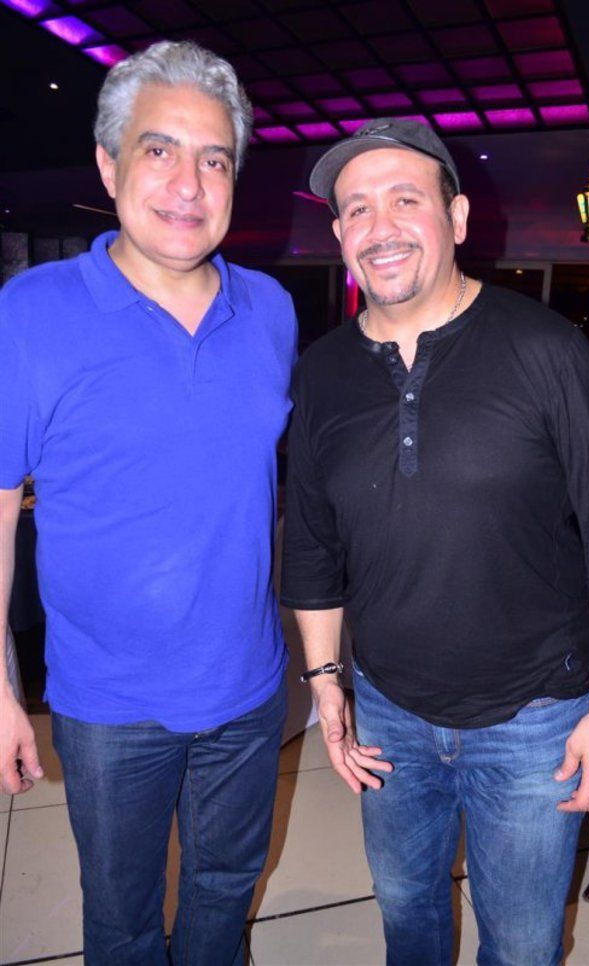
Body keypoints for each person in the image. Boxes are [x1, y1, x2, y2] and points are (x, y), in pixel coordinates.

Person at [281, 118, 589, 965]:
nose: (380, 226)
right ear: (339, 234)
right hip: (388, 712)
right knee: (407, 914)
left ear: (458, 217)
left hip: (535, 719)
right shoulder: (323, 371)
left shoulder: (547, 350)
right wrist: (327, 683)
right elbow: (314, 545)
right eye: (357, 208)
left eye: (405, 200)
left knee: (521, 942)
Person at [0, 41, 297, 965]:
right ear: (108, 165)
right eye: (159, 150)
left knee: (224, 893)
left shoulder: (272, 310)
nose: (188, 185)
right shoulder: (29, 313)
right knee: (123, 921)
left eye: (215, 160)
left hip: (249, 689)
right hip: (108, 705)